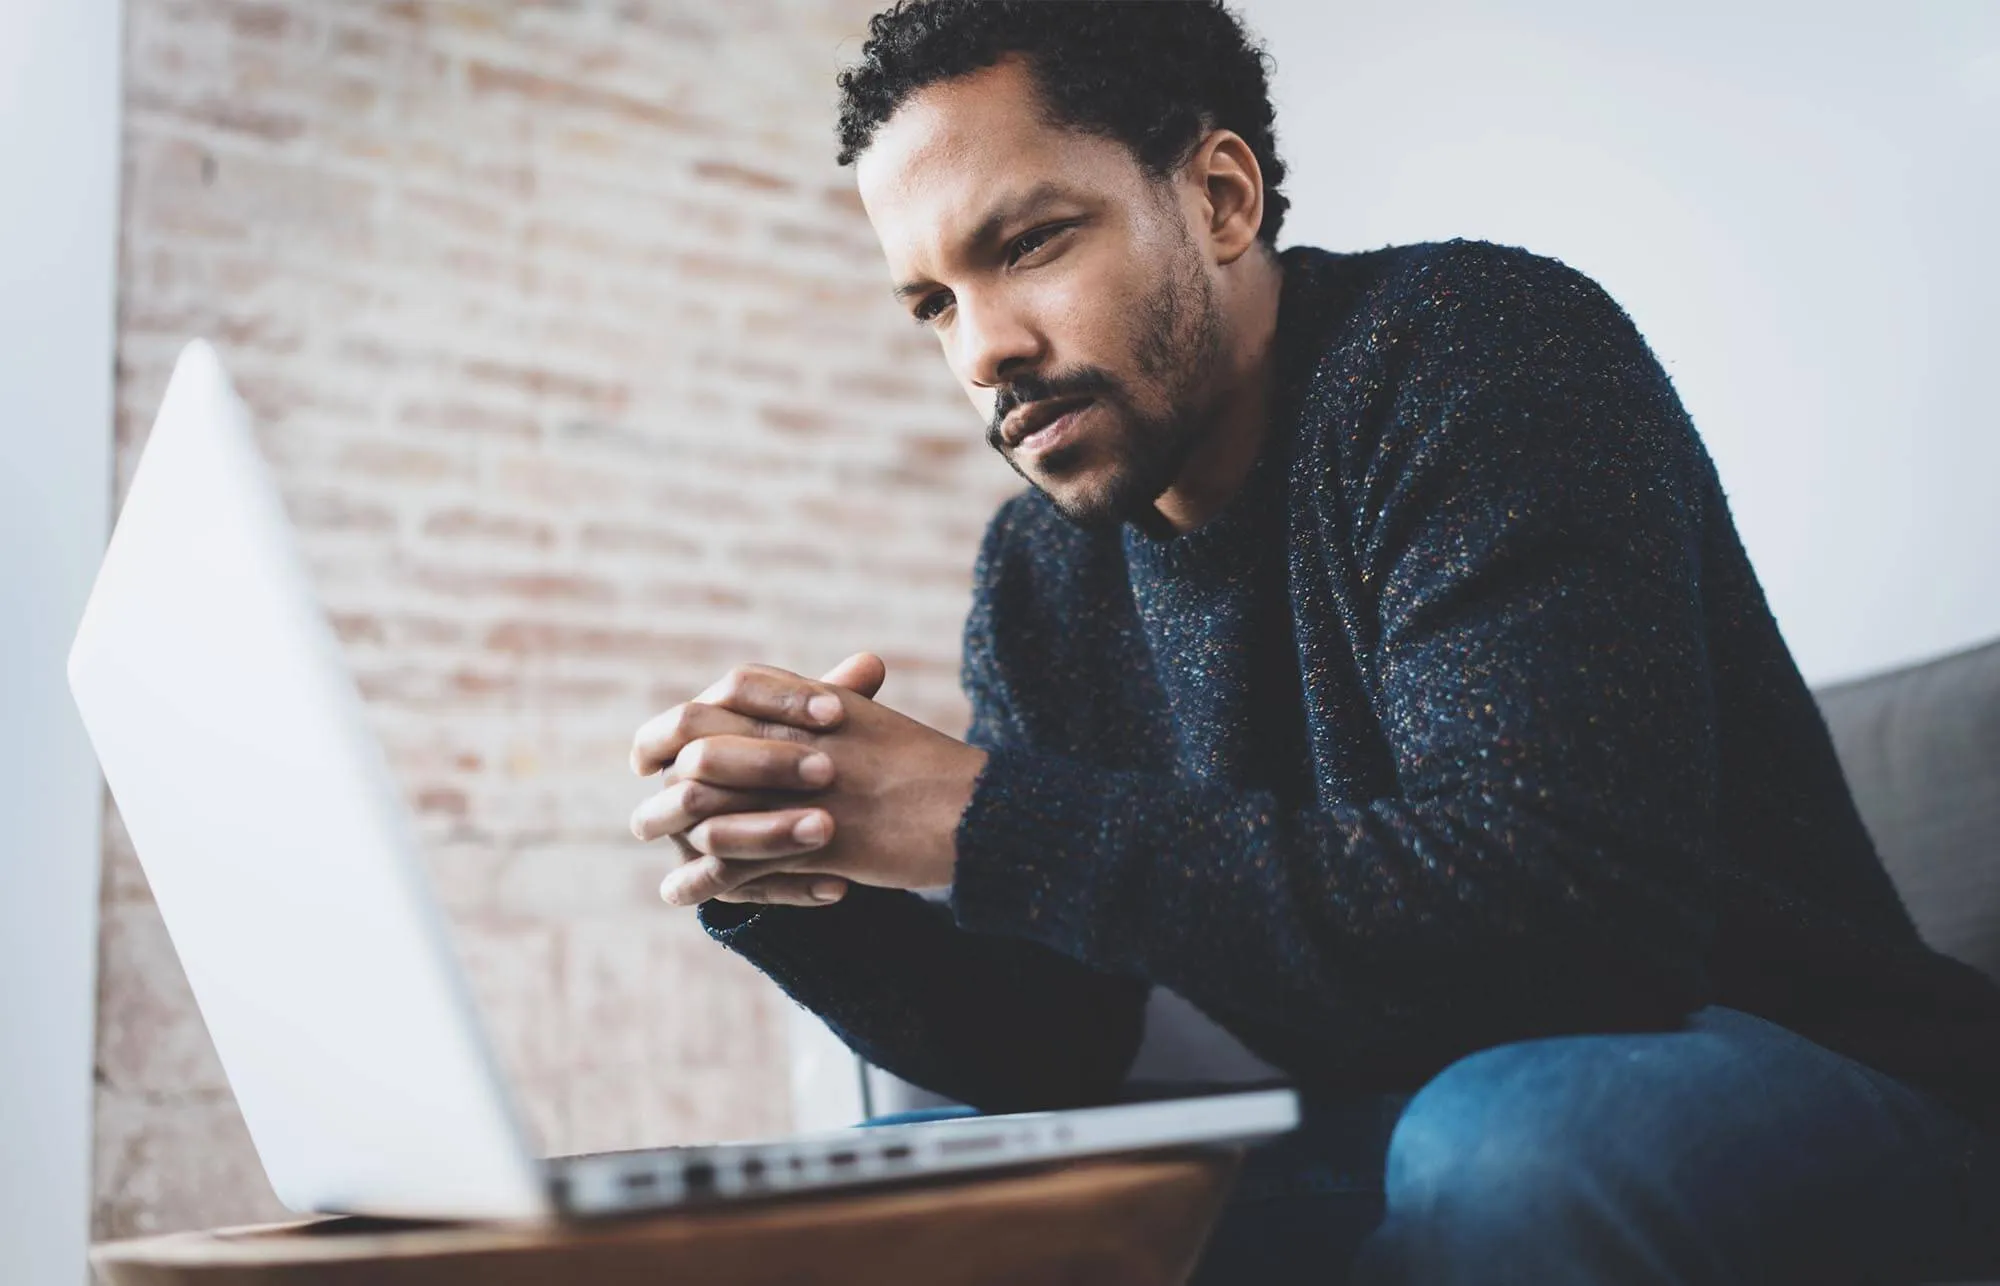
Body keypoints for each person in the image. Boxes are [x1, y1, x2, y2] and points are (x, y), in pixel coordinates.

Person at [624, 2, 2000, 1279]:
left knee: (1513, 1135)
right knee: (897, 1194)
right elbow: (1066, 1040)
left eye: (1029, 243)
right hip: (1399, 1114)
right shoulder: (1042, 571)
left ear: (1221, 198)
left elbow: (1577, 931)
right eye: (932, 303)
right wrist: (810, 878)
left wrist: (981, 816)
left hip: (1809, 1095)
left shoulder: (1477, 351)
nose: (982, 349)